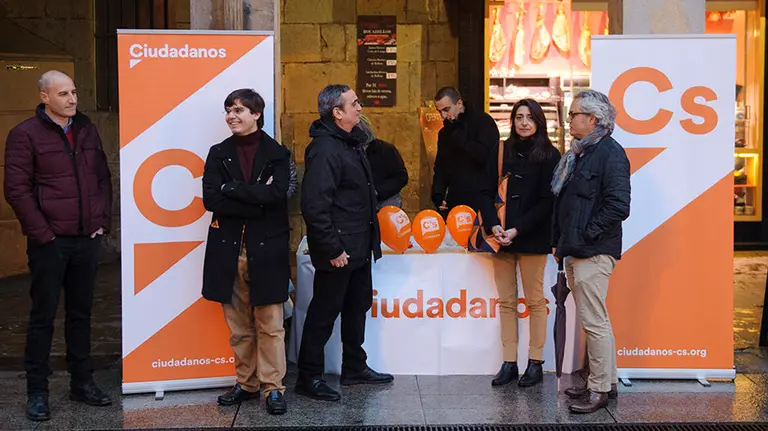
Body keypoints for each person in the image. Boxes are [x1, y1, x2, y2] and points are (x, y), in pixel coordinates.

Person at [4, 70, 112, 421]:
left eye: (75, 92)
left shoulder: (85, 129)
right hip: (50, 242)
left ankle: (82, 382)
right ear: (44, 97)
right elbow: (16, 189)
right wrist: (43, 234)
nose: (73, 99)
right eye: (63, 93)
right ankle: (37, 391)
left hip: (86, 239)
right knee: (42, 317)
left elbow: (101, 178)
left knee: (81, 315)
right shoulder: (24, 135)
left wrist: (101, 223)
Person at [297, 84, 393, 401]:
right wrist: (332, 249)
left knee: (356, 308)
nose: (360, 108)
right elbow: (314, 205)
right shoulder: (325, 149)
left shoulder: (350, 143)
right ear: (337, 113)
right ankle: (308, 377)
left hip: (359, 247)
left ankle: (355, 367)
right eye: (354, 103)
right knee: (324, 314)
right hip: (339, 250)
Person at [201, 89, 290, 415]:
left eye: (238, 110)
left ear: (256, 114)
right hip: (228, 250)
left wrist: (233, 191)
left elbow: (278, 195)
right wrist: (255, 196)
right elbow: (211, 199)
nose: (231, 116)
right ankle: (247, 383)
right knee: (239, 326)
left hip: (267, 250)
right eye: (228, 110)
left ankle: (272, 388)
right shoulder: (218, 153)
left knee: (270, 324)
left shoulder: (277, 153)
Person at [551, 90, 630, 414]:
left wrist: (586, 234)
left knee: (594, 322)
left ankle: (598, 390)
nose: (569, 120)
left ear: (592, 119)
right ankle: (605, 381)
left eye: (574, 115)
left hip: (593, 252)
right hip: (578, 249)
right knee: (596, 321)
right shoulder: (582, 152)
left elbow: (618, 205)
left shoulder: (610, 153)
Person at [479, 99, 561, 388]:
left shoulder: (550, 155)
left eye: (529, 117)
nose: (524, 123)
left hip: (532, 237)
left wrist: (517, 228)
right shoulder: (501, 150)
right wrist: (494, 225)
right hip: (501, 238)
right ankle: (508, 362)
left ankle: (536, 362)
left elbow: (547, 201)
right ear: (512, 121)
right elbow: (484, 191)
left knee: (536, 301)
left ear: (539, 121)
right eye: (518, 117)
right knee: (506, 302)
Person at [432, 86, 499, 215]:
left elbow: (487, 157)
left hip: (481, 198)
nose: (443, 116)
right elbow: (440, 167)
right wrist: (438, 195)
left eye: (446, 109)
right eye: (439, 111)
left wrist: (462, 140)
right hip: (455, 200)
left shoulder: (483, 123)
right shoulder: (445, 133)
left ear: (459, 103)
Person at [356, 114, 409, 210]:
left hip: (386, 201)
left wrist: (377, 191)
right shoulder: (350, 152)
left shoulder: (386, 150)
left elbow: (401, 177)